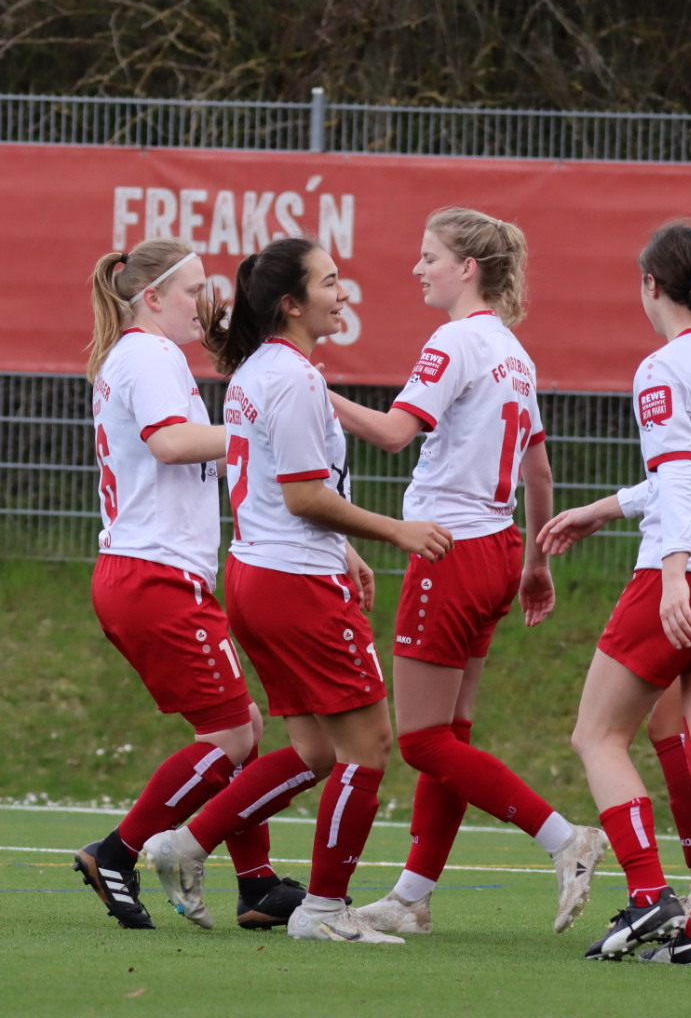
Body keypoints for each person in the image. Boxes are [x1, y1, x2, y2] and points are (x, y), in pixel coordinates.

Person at [145, 237, 454, 944]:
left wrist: (343, 549)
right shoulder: (292, 379)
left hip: (262, 575)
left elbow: (291, 491)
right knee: (369, 745)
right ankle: (321, 911)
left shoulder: (264, 371)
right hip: (293, 584)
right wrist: (396, 531)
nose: (343, 292)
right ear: (292, 303)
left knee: (316, 752)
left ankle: (183, 845)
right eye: (331, 281)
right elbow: (304, 496)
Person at [308, 208, 607, 937]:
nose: (419, 268)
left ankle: (565, 839)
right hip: (498, 547)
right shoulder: (512, 351)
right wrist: (535, 562)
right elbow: (538, 471)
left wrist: (310, 390)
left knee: (421, 742)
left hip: (449, 547)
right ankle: (412, 896)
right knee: (451, 733)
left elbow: (392, 433)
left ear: (467, 268)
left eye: (430, 255)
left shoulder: (455, 341)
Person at [543, 221, 691, 964]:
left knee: (597, 735)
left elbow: (681, 477)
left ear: (651, 285)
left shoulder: (663, 367)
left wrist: (674, 568)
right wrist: (605, 507)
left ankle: (649, 896)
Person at [76, 239, 301, 931]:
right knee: (233, 734)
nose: (207, 301)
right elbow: (171, 443)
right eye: (194, 288)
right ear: (152, 297)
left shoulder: (144, 355)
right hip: (153, 577)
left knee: (242, 727)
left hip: (149, 574)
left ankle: (256, 886)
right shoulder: (149, 354)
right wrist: (256, 426)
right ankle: (117, 852)